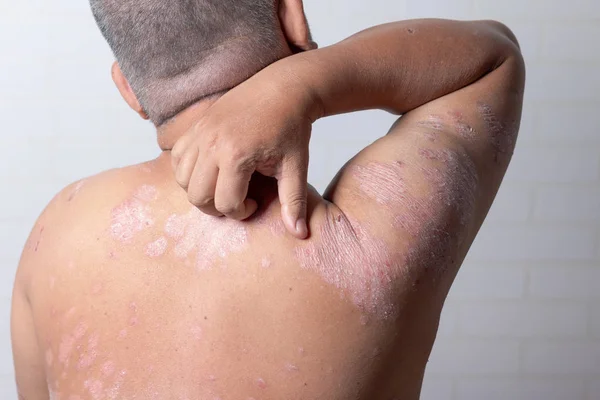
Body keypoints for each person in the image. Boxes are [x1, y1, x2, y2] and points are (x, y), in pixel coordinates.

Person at [11, 0, 525, 398]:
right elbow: (493, 59)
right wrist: (305, 84)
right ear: (292, 14)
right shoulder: (369, 246)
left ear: (128, 90)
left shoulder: (56, 234)